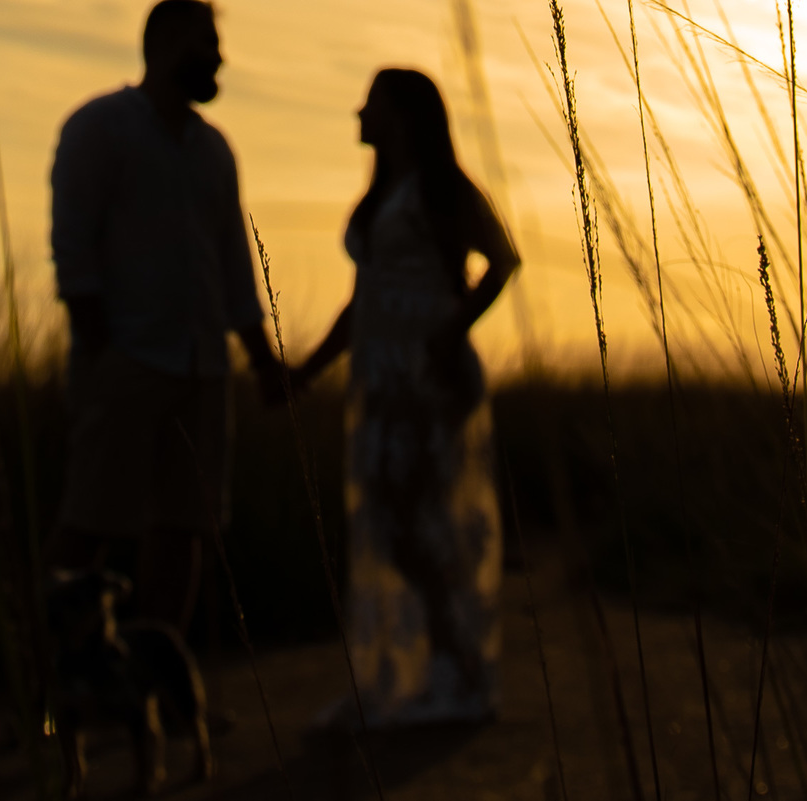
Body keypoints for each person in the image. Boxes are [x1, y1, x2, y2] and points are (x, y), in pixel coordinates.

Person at [45, 0, 282, 635]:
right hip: (127, 358)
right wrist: (101, 351)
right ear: (167, 42)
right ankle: (54, 692)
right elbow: (74, 248)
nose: (219, 58)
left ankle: (160, 685)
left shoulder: (213, 151)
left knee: (184, 527)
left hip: (200, 366)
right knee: (91, 521)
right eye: (207, 43)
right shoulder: (100, 129)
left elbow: (233, 265)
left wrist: (260, 360)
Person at [293, 68, 521, 727]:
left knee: (422, 520)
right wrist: (309, 367)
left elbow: (501, 261)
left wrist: (450, 329)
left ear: (399, 114)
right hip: (378, 376)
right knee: (387, 521)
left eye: (371, 103)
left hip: (425, 375)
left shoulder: (442, 187)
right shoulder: (382, 194)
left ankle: (458, 668)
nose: (359, 114)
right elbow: (361, 298)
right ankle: (407, 669)